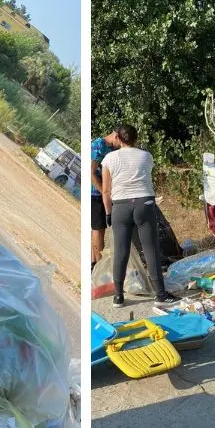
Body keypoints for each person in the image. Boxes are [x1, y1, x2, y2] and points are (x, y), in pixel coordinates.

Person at [100, 124, 178, 306]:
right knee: (150, 249)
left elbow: (105, 191)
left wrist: (108, 213)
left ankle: (118, 296)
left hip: (120, 206)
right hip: (145, 204)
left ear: (118, 138)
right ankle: (160, 293)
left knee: (121, 251)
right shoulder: (146, 156)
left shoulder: (109, 159)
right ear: (136, 138)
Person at [89, 131, 119, 269]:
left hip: (104, 192)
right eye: (120, 142)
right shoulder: (98, 145)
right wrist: (104, 193)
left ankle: (94, 262)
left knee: (100, 230)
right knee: (98, 229)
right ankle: (99, 266)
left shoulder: (113, 148)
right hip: (95, 193)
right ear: (116, 136)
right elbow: (91, 172)